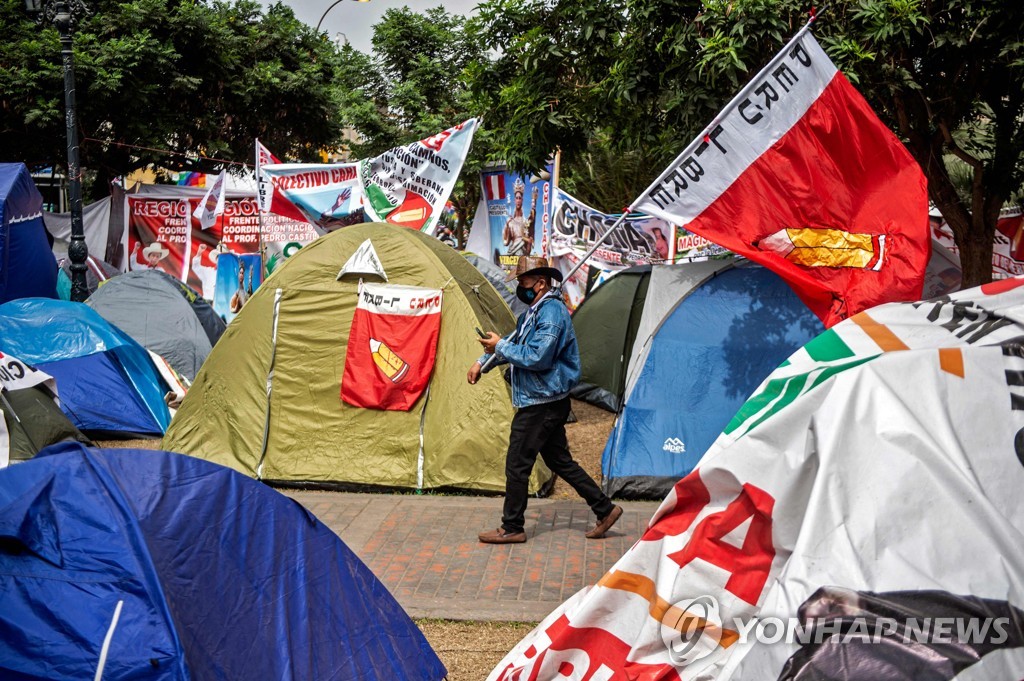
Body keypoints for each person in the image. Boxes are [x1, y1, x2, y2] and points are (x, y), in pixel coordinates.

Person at [467, 255, 622, 544]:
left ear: (540, 283)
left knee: (517, 463)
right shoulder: (532, 313)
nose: (520, 288)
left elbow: (537, 357)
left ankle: (512, 526)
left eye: (523, 282)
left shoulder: (551, 313)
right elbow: (512, 344)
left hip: (541, 402)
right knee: (560, 461)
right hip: (545, 399)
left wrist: (498, 345)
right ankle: (605, 508)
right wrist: (482, 361)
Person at [502, 178, 536, 256]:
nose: (518, 200)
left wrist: (529, 243)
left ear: (522, 200)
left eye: (519, 198)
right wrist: (507, 226)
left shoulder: (526, 222)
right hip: (512, 255)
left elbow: (528, 250)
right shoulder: (510, 222)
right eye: (516, 198)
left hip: (523, 256)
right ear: (514, 200)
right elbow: (506, 242)